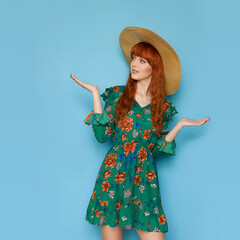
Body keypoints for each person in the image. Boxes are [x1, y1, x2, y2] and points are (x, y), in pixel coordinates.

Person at [70, 26, 210, 240]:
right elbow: (102, 136)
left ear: (155, 68)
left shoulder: (161, 108)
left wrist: (179, 124)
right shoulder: (117, 95)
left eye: (142, 61)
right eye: (134, 58)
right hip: (113, 177)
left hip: (145, 179)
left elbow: (155, 150)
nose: (133, 64)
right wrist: (96, 94)